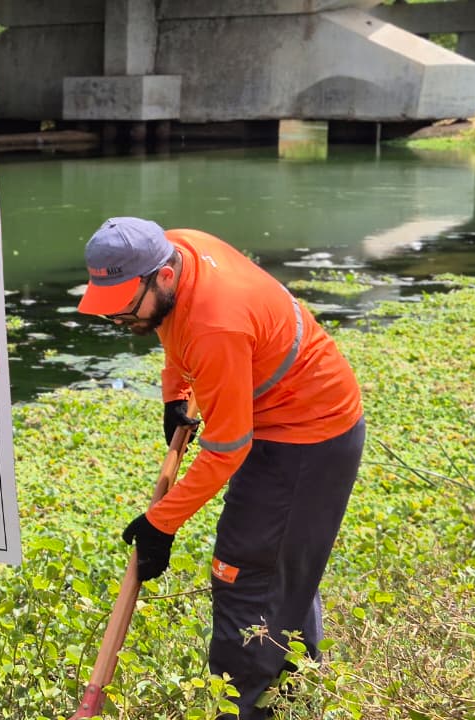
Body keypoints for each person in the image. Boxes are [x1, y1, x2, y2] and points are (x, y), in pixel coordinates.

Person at [75, 217, 365, 719]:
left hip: (306, 436)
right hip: (287, 414)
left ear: (162, 275)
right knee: (284, 573)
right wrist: (176, 393)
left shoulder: (217, 325)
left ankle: (251, 708)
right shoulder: (181, 248)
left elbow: (227, 449)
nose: (118, 319)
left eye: (123, 306)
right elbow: (172, 323)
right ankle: (296, 703)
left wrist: (160, 525)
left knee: (247, 575)